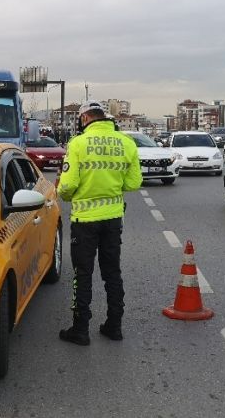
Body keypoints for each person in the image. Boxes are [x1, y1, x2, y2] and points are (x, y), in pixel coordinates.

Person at [57, 100, 143, 346]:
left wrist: (64, 193)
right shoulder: (126, 143)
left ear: (84, 119)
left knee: (82, 275)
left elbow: (68, 186)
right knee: (112, 272)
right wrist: (112, 187)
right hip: (113, 219)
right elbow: (134, 183)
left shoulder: (78, 144)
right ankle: (114, 326)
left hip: (84, 222)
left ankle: (80, 329)